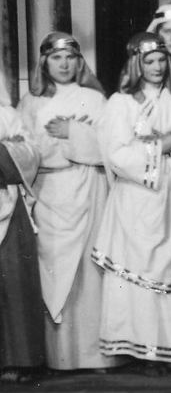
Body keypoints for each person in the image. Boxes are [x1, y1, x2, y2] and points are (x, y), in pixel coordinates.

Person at [93, 33, 171, 372]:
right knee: (137, 274)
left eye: (161, 61)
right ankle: (144, 352)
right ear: (136, 64)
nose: (156, 67)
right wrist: (160, 148)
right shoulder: (121, 104)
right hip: (138, 200)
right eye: (149, 61)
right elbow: (117, 154)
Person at [18, 33, 119, 372]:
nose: (63, 65)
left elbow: (111, 148)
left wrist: (74, 133)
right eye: (56, 58)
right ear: (43, 63)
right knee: (52, 269)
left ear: (80, 63)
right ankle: (56, 355)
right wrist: (52, 146)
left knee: (89, 273)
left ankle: (93, 354)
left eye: (70, 58)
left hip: (89, 188)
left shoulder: (95, 99)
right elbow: (24, 151)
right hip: (47, 191)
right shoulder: (30, 103)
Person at [0, 103, 43, 383]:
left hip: (5, 203)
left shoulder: (6, 113)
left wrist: (5, 151)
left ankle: (17, 358)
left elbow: (29, 152)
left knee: (12, 278)